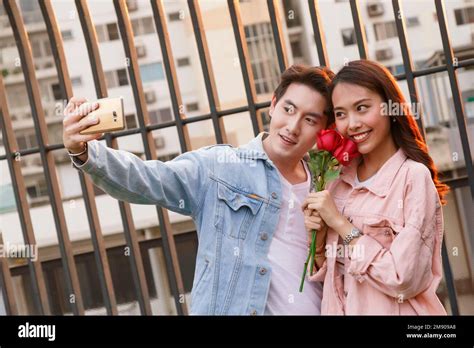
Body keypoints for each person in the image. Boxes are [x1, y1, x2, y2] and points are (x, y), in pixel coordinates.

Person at [62, 65, 334, 315]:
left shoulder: (326, 187)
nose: (293, 126)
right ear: (273, 105)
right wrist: (84, 151)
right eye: (288, 109)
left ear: (323, 129)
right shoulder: (220, 168)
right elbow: (147, 179)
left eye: (309, 119)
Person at [303, 59, 449, 315]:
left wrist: (340, 224)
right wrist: (318, 244)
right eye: (340, 114)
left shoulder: (413, 178)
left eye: (362, 108)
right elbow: (332, 278)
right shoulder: (336, 181)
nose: (352, 124)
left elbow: (403, 278)